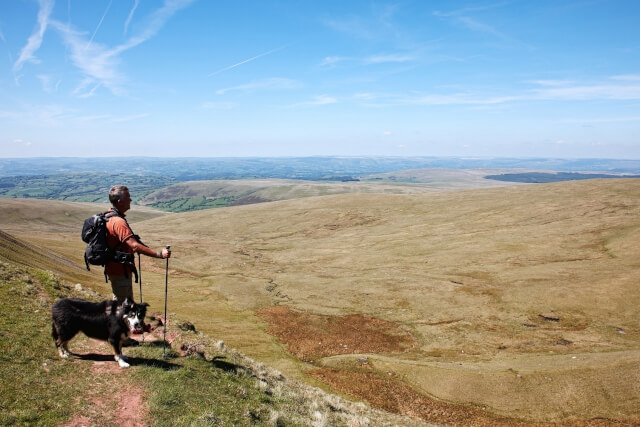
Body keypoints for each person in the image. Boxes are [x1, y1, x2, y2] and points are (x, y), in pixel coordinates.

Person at [105, 185, 171, 302]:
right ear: (119, 201)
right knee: (124, 306)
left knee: (122, 303)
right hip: (120, 270)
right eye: (128, 197)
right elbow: (134, 245)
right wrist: (159, 254)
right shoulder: (118, 222)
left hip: (116, 268)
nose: (130, 200)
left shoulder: (109, 216)